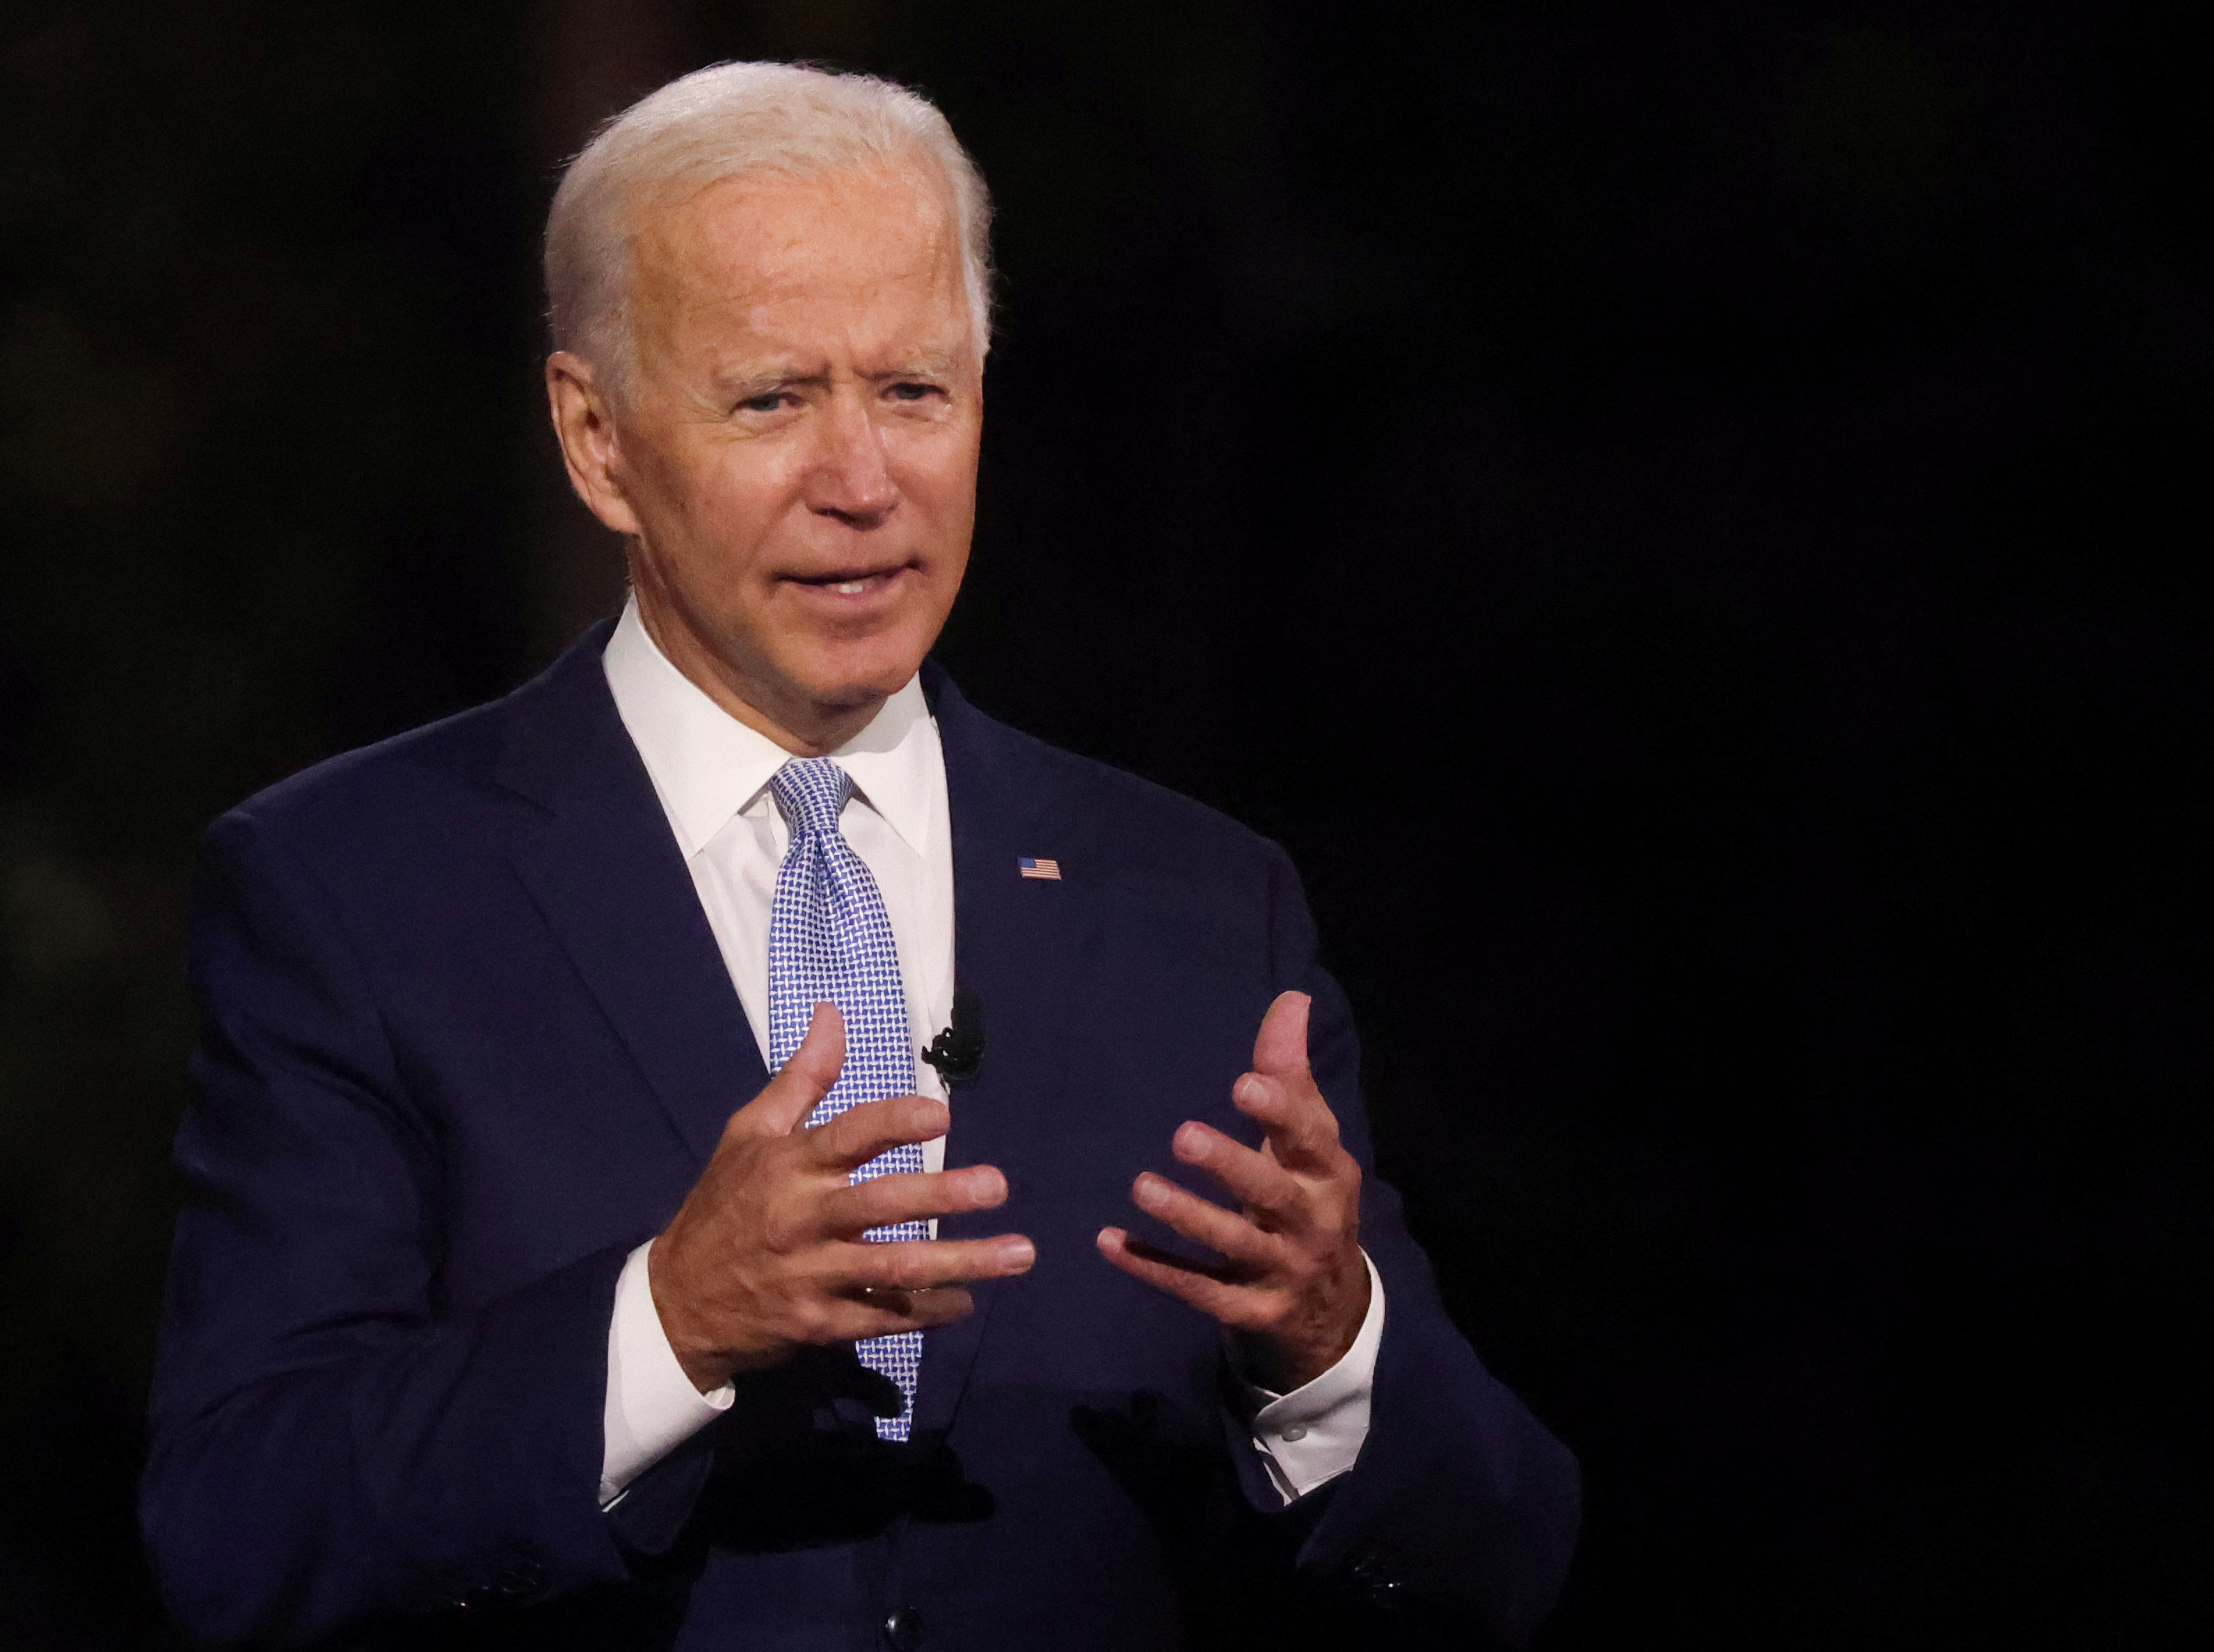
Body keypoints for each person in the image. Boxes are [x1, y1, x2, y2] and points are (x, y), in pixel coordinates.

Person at [142, 61, 1579, 1651]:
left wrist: (1334, 1354)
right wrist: (665, 1327)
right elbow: (239, 1531)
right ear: (597, 439)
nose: (862, 483)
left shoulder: (1197, 908)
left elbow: (1495, 1561)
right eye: (772, 398)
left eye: (914, 392)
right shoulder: (353, 891)